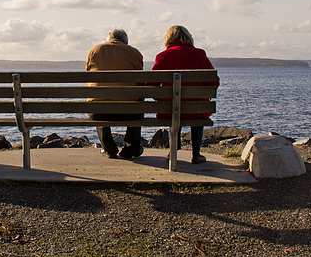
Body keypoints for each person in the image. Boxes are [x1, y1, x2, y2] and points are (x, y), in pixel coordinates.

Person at [152, 25, 219, 164]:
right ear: (188, 37)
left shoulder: (162, 56)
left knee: (174, 110)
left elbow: (152, 86)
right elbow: (214, 82)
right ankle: (196, 154)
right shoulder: (199, 54)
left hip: (168, 110)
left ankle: (173, 151)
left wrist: (160, 98)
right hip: (197, 110)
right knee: (196, 112)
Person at [86, 29, 144, 159]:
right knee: (138, 106)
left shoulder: (94, 50)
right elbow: (141, 83)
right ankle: (131, 149)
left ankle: (108, 148)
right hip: (128, 112)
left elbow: (89, 74)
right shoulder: (134, 52)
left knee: (97, 103)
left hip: (99, 111)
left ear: (107, 41)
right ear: (126, 42)